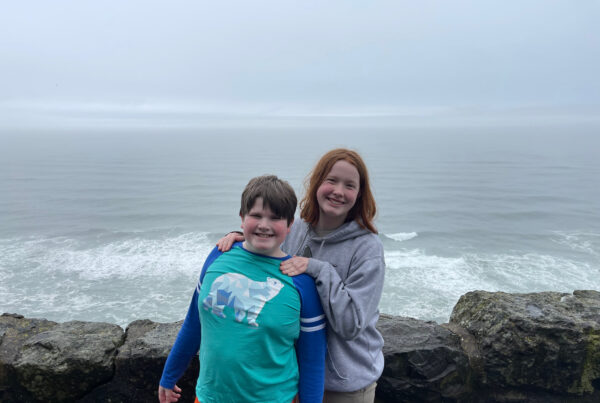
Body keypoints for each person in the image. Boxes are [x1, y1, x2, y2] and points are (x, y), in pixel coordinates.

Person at [218, 149, 385, 403]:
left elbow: (351, 325)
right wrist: (246, 240)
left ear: (359, 194)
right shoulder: (297, 230)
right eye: (331, 180)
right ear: (317, 183)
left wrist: (319, 269)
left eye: (349, 185)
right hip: (293, 376)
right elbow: (270, 262)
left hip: (343, 387)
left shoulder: (367, 248)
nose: (338, 191)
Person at [159, 175, 327, 403]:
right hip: (209, 397)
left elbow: (312, 360)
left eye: (275, 218)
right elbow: (194, 323)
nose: (264, 225)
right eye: (256, 215)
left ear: (289, 225)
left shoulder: (301, 282)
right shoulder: (219, 255)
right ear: (242, 218)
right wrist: (169, 377)